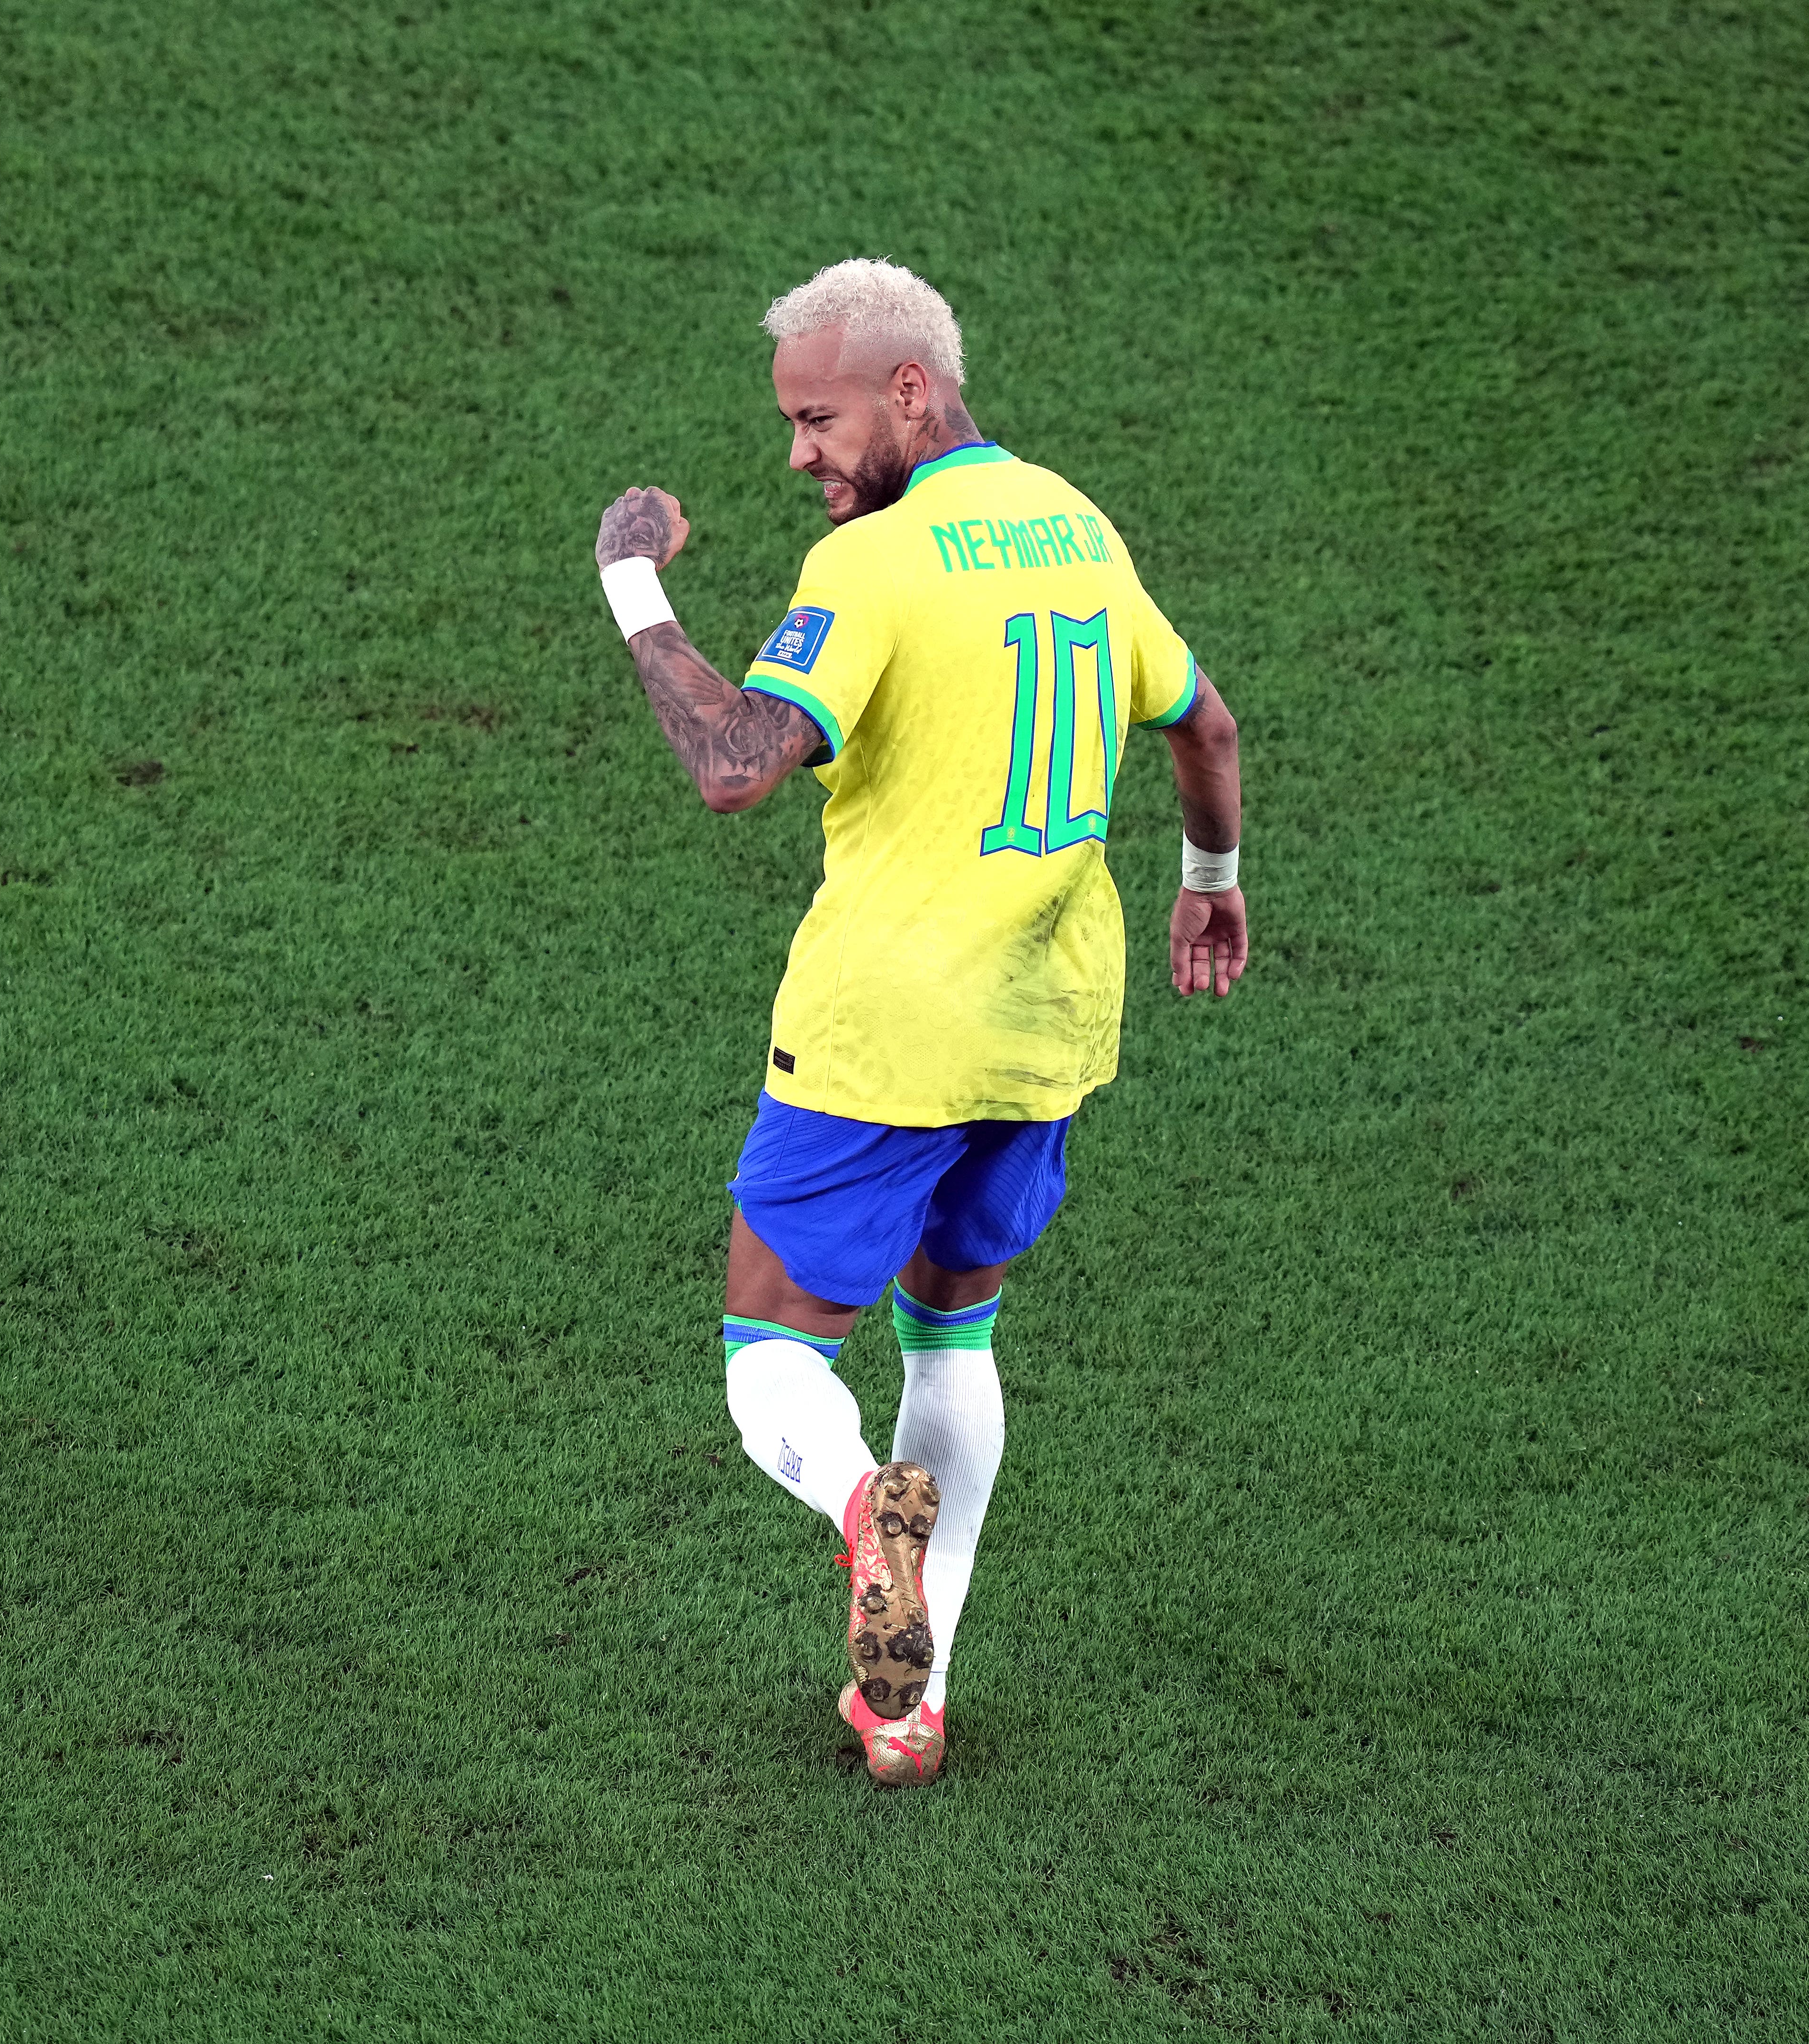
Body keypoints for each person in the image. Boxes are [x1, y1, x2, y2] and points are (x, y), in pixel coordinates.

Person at [590, 257, 1247, 1785]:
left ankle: (854, 1511)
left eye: (815, 421)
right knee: (951, 1329)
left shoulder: (873, 571)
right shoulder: (1076, 526)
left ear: (905, 390)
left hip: (886, 1026)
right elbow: (1202, 721)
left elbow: (736, 762)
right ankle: (910, 1703)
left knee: (769, 1349)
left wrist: (633, 579)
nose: (800, 456)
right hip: (1042, 1027)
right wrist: (1208, 876)